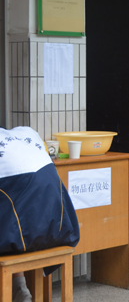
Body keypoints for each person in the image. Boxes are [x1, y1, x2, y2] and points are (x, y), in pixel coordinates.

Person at [0, 126, 80, 302]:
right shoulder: (27, 132)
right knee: (15, 211)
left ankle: (18, 288)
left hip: (23, 236)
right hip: (61, 230)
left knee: (13, 218)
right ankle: (19, 288)